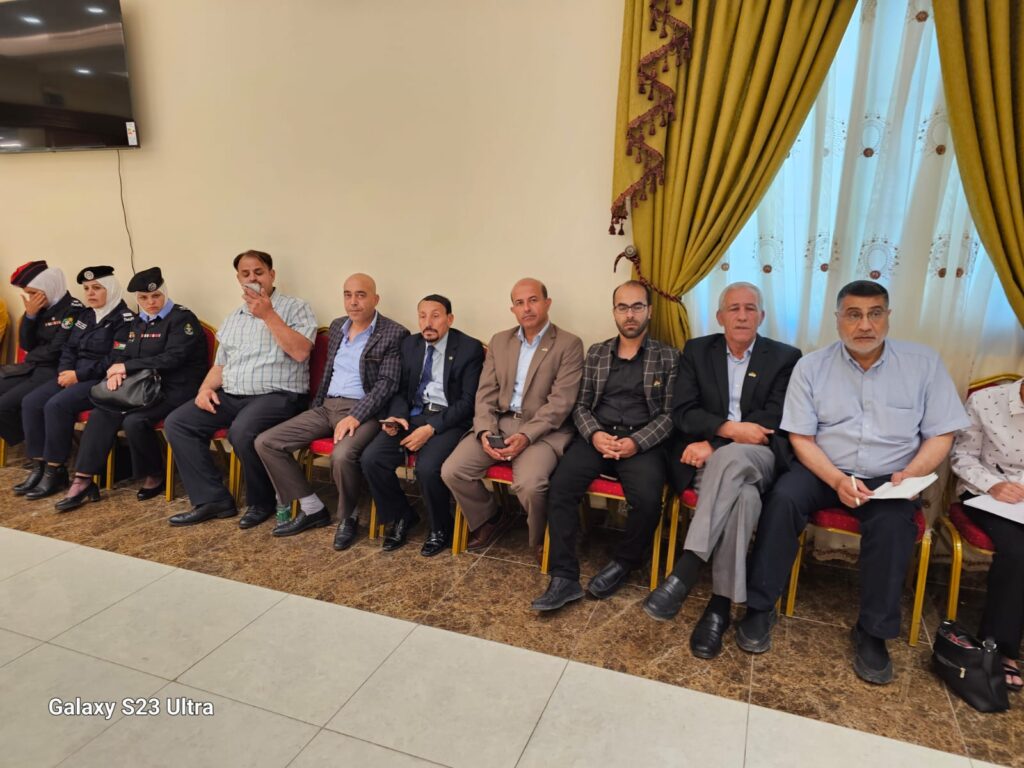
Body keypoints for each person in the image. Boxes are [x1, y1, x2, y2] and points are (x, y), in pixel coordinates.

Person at [736, 280, 969, 685]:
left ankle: (873, 632)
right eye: (854, 315)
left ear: (888, 317)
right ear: (838, 319)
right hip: (824, 468)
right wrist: (836, 479)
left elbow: (942, 434)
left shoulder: (923, 364)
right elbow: (801, 438)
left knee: (894, 525)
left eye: (875, 314)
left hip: (890, 476)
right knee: (783, 498)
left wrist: (911, 473)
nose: (865, 325)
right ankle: (760, 606)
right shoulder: (812, 366)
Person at [642, 282, 801, 659]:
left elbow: (775, 417)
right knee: (743, 499)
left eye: (750, 308)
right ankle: (719, 606)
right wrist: (727, 432)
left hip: (759, 456)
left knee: (733, 460)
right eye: (734, 309)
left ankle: (687, 567)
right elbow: (684, 411)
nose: (742, 316)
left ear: (761, 316)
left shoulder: (785, 357)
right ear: (720, 317)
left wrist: (716, 445)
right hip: (709, 464)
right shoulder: (698, 351)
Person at [531, 280, 678, 611]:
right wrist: (595, 435)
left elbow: (670, 416)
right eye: (623, 307)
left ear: (650, 311)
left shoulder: (668, 356)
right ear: (614, 312)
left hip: (641, 442)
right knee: (560, 488)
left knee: (648, 501)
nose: (630, 314)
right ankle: (564, 577)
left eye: (637, 307)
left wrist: (636, 442)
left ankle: (624, 562)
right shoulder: (597, 352)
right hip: (598, 436)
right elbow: (580, 406)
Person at [163, 250, 317, 528]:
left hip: (278, 396)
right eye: (246, 274)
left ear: (272, 275)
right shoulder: (234, 316)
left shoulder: (296, 307)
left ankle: (262, 502)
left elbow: (300, 352)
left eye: (259, 272)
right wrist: (204, 390)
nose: (253, 278)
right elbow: (221, 364)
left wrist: (268, 315)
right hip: (233, 395)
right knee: (179, 422)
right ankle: (212, 500)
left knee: (242, 431)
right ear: (238, 279)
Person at [255, 273, 408, 549]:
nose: (353, 302)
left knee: (342, 455)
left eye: (361, 295)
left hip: (364, 411)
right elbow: (328, 372)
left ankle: (348, 517)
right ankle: (312, 507)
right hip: (327, 407)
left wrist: (356, 416)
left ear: (375, 299)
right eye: (348, 295)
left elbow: (387, 384)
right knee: (266, 442)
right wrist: (316, 409)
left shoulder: (394, 332)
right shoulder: (338, 326)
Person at [441, 278, 583, 552]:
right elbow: (485, 393)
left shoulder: (569, 344)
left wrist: (526, 436)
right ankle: (490, 518)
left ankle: (541, 540)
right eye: (520, 303)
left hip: (543, 432)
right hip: (500, 423)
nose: (526, 308)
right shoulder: (499, 341)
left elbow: (560, 403)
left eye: (533, 300)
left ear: (547, 303)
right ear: (513, 309)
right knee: (452, 470)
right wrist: (485, 431)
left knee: (530, 485)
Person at [53, 268, 209, 511]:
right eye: (143, 298)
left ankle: (154, 474)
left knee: (135, 421)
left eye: (156, 296)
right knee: (103, 411)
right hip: (142, 386)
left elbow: (173, 358)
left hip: (175, 388)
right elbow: (124, 352)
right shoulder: (139, 321)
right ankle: (83, 480)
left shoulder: (182, 319)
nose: (150, 302)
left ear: (164, 292)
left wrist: (126, 367)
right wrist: (116, 371)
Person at [361, 294, 484, 555]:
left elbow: (468, 402)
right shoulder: (410, 344)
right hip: (414, 416)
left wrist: (431, 428)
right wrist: (397, 417)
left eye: (435, 316)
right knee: (372, 458)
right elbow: (400, 390)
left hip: (450, 420)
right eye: (422, 316)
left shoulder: (469, 348)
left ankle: (441, 527)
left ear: (450, 319)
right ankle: (402, 516)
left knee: (427, 469)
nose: (428, 322)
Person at [16, 266, 134, 499]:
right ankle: (39, 465)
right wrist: (65, 371)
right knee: (31, 402)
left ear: (110, 289)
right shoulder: (86, 316)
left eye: (97, 288)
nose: (90, 293)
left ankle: (55, 469)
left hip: (99, 379)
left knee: (57, 405)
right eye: (87, 288)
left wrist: (78, 375)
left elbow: (115, 359)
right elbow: (68, 348)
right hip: (72, 374)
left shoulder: (125, 319)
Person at [950, 376, 1024, 691]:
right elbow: (961, 456)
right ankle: (1001, 646)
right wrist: (994, 485)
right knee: (1017, 552)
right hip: (987, 495)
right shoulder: (986, 401)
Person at [0, 262, 85, 453]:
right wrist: (30, 316)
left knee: (4, 406)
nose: (31, 299)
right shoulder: (38, 309)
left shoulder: (72, 310)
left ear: (48, 286)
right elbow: (26, 344)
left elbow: (56, 350)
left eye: (33, 293)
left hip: (53, 370)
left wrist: (34, 353)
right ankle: (33, 440)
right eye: (28, 294)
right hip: (31, 368)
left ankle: (37, 449)